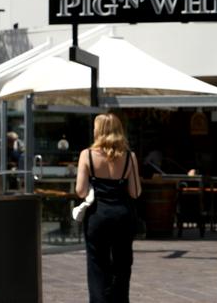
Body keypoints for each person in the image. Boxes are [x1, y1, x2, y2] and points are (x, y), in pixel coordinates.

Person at [75, 113, 142, 303]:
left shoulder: (87, 155)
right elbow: (135, 191)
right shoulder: (129, 156)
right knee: (122, 266)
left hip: (97, 216)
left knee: (97, 266)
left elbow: (80, 191)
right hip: (123, 215)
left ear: (98, 131)